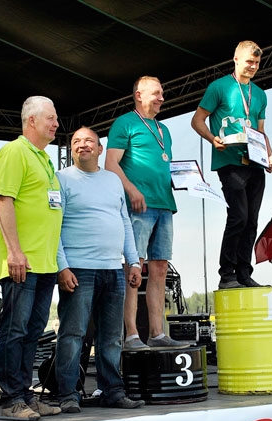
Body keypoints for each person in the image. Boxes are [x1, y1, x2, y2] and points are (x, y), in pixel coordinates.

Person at [55, 127, 146, 413]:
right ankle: (68, 394)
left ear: (100, 149)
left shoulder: (112, 181)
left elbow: (124, 222)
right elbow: (53, 226)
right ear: (71, 149)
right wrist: (62, 266)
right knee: (72, 334)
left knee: (110, 337)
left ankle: (112, 391)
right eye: (76, 142)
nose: (83, 146)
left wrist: (132, 261)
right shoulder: (61, 179)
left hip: (112, 270)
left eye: (89, 142)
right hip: (78, 269)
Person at [0, 96, 64, 421]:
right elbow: (4, 201)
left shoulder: (45, 160)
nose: (56, 123)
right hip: (23, 261)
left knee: (34, 332)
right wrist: (15, 251)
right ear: (31, 120)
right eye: (50, 118)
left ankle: (24, 393)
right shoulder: (14, 152)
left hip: (45, 263)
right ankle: (10, 399)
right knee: (15, 331)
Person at [105, 76, 188, 351]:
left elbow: (165, 166)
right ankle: (130, 335)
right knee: (134, 267)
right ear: (139, 95)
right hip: (139, 206)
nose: (162, 97)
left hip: (165, 204)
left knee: (160, 268)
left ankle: (156, 333)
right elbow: (111, 164)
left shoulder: (164, 129)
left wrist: (190, 180)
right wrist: (131, 190)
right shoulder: (125, 123)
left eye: (162, 93)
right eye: (156, 93)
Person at [191, 40, 272, 290]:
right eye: (249, 61)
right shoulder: (219, 87)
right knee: (238, 215)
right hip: (229, 159)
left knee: (252, 220)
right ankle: (226, 273)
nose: (252, 66)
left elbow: (260, 131)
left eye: (257, 63)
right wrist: (212, 138)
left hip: (255, 162)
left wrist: (269, 154)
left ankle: (243, 273)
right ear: (236, 59)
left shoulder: (260, 94)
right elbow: (197, 120)